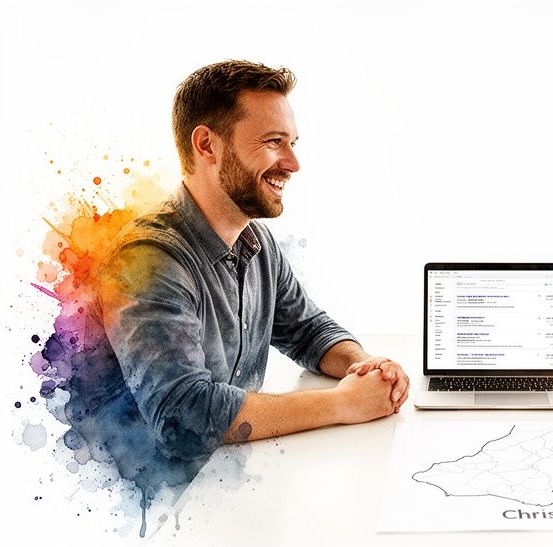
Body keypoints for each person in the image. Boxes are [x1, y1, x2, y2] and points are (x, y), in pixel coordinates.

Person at [66, 60, 409, 492]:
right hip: (153, 514)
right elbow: (184, 415)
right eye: (273, 142)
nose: (293, 163)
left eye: (293, 143)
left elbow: (307, 331)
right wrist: (342, 405)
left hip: (228, 489)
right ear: (207, 145)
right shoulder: (147, 262)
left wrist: (365, 367)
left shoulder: (256, 244)